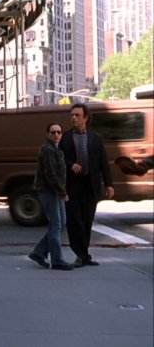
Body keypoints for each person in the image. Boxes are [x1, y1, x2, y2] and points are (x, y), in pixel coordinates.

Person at [59, 103, 114, 268]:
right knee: (75, 221)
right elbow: (59, 158)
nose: (73, 118)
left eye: (77, 115)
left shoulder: (95, 138)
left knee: (87, 220)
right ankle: (81, 255)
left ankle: (84, 255)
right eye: (72, 115)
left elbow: (103, 162)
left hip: (90, 185)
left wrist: (109, 184)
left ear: (86, 118)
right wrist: (70, 165)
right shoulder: (65, 137)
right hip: (72, 185)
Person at [28, 122, 75, 271]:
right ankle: (57, 260)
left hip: (54, 190)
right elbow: (51, 174)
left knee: (61, 223)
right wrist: (62, 192)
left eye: (59, 132)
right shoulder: (48, 149)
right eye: (53, 132)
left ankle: (39, 252)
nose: (56, 135)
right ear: (47, 134)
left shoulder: (55, 149)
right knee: (56, 224)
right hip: (49, 190)